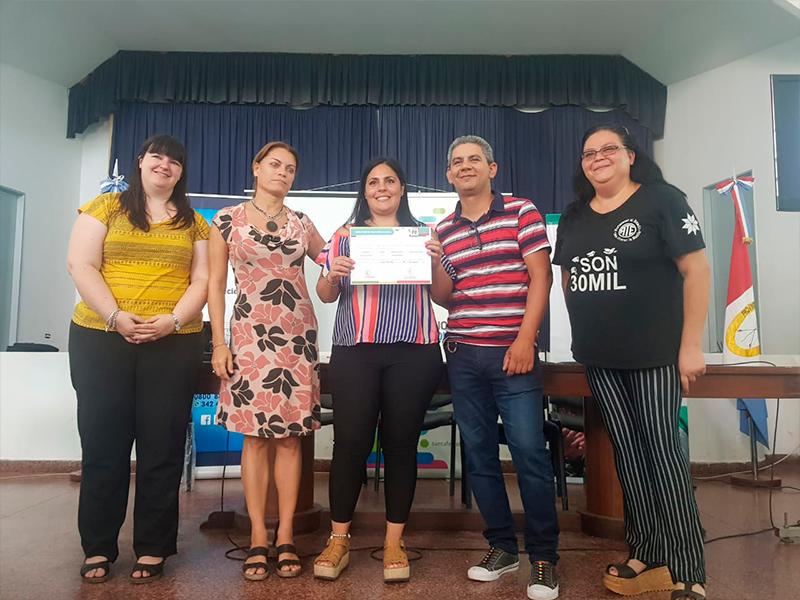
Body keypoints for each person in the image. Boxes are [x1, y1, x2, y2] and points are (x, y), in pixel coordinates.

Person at [553, 124, 710, 600]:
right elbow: (569, 278)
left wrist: (690, 345)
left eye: (609, 149)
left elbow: (696, 270)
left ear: (630, 156)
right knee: (628, 453)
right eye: (589, 153)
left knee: (662, 453)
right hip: (601, 357)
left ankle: (688, 567)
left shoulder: (663, 200)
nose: (598, 158)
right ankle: (646, 552)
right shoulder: (575, 215)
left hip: (655, 354)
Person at [67, 134, 209, 584]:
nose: (164, 165)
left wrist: (173, 320)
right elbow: (81, 265)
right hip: (101, 337)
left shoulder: (194, 223)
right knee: (103, 445)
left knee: (162, 448)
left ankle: (152, 546)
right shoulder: (105, 207)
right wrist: (114, 316)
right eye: (156, 157)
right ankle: (98, 547)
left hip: (173, 341)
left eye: (174, 161)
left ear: (181, 172)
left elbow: (202, 280)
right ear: (141, 162)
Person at [432, 135, 560, 600]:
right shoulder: (443, 228)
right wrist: (435, 262)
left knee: (528, 453)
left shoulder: (522, 211)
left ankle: (543, 557)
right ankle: (502, 548)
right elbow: (444, 297)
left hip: (513, 353)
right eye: (457, 162)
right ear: (449, 174)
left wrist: (526, 339)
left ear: (492, 168)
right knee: (480, 456)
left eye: (474, 159)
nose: (465, 166)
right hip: (463, 354)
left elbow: (541, 276)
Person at [312, 157, 443, 583]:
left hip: (414, 350)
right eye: (373, 182)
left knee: (401, 445)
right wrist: (333, 274)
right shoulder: (344, 235)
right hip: (356, 350)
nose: (382, 187)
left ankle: (393, 542)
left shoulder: (426, 235)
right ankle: (338, 539)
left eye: (390, 181)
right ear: (364, 191)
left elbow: (444, 295)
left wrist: (436, 261)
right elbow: (325, 294)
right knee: (350, 444)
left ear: (402, 188)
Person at [208, 141, 326, 580]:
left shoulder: (302, 222)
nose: (282, 173)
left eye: (290, 168)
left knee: (291, 439)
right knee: (254, 440)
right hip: (248, 338)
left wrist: (368, 249)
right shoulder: (226, 220)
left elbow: (331, 261)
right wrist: (218, 344)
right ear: (256, 168)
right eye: (275, 164)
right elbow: (215, 284)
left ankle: (287, 534)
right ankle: (259, 535)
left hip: (296, 336)